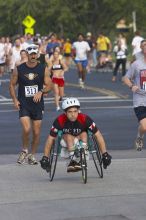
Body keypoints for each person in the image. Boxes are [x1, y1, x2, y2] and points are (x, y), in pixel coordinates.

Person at [40, 97, 112, 172]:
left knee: (84, 133)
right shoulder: (59, 120)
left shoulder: (85, 119)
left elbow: (98, 135)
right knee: (68, 136)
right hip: (66, 141)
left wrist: (104, 154)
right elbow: (50, 139)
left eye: (75, 111)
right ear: (65, 113)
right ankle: (72, 160)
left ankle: (83, 157)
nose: (73, 114)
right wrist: (45, 157)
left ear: (78, 111)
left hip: (82, 138)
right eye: (70, 112)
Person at [9, 44, 52, 165]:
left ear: (37, 55)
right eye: (31, 54)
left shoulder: (43, 68)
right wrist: (14, 100)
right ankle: (24, 150)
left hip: (37, 105)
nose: (33, 56)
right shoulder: (19, 68)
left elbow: (50, 85)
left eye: (35, 54)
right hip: (24, 103)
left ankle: (32, 155)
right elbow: (12, 85)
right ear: (27, 55)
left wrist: (41, 91)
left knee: (37, 132)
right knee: (27, 129)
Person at [123, 42, 146, 151]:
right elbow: (126, 78)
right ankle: (139, 137)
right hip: (140, 99)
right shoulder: (136, 64)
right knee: (144, 126)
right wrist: (131, 86)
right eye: (145, 45)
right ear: (142, 48)